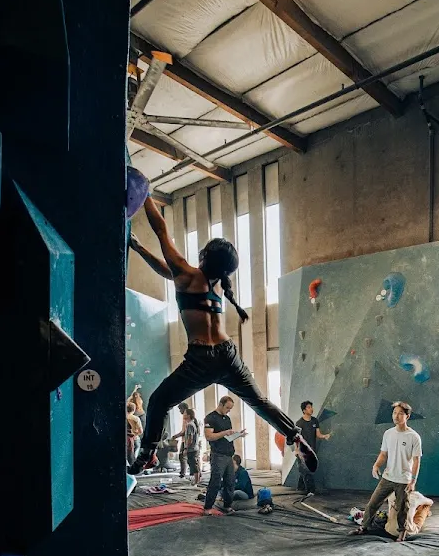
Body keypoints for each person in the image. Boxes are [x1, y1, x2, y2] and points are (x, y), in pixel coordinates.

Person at [128, 196, 316, 478]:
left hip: (201, 359)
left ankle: (146, 453)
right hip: (228, 354)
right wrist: (139, 248)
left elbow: (161, 228)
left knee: (158, 401)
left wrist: (145, 195)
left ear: (203, 257)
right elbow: (167, 272)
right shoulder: (214, 285)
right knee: (260, 402)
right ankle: (294, 436)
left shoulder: (189, 274)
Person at [354, 401, 422, 541]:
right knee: (373, 504)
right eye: (394, 413)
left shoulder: (414, 437)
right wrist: (376, 465)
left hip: (403, 480)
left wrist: (413, 480)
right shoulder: (388, 434)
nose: (396, 416)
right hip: (388, 477)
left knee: (402, 508)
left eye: (400, 413)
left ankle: (402, 533)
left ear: (407, 416)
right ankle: (364, 527)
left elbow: (416, 460)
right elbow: (383, 454)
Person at [203, 395, 243, 515]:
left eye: (230, 409)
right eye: (227, 408)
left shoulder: (227, 419)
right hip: (218, 455)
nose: (228, 411)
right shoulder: (210, 418)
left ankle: (227, 505)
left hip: (228, 454)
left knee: (230, 482)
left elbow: (228, 437)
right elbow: (209, 436)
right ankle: (208, 507)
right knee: (215, 481)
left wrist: (237, 435)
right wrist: (224, 432)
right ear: (221, 404)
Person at [296, 401, 331, 497]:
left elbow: (318, 434)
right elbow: (296, 438)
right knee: (307, 470)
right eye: (308, 407)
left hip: (312, 450)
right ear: (304, 410)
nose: (311, 409)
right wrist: (297, 450)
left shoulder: (315, 421)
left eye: (311, 407)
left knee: (305, 469)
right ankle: (310, 490)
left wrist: (324, 436)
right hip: (303, 451)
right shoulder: (299, 423)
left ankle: (300, 487)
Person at [183, 406, 201, 486]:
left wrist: (186, 448)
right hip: (195, 448)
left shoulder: (190, 425)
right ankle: (196, 479)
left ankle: (196, 481)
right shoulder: (193, 423)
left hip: (192, 448)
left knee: (193, 464)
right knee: (194, 464)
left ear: (189, 415)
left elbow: (190, 438)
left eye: (185, 413)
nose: (183, 415)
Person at [126, 402, 142, 469]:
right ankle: (134, 466)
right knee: (135, 451)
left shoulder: (124, 417)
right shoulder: (136, 418)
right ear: (134, 409)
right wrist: (135, 434)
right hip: (134, 438)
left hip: (126, 438)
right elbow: (140, 431)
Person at [176, 401, 190, 478]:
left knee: (182, 456)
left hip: (186, 440)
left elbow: (184, 432)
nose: (179, 411)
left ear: (183, 408)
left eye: (180, 409)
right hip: (187, 440)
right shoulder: (188, 416)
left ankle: (183, 473)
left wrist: (175, 436)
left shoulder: (185, 417)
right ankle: (183, 472)